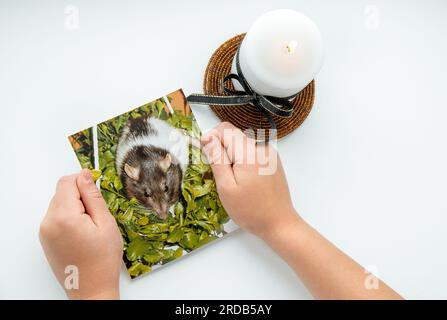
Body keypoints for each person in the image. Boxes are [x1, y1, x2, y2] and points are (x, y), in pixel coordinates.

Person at [39, 122, 402, 300]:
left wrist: (94, 292)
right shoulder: (135, 172)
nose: (162, 210)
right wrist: (280, 223)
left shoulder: (169, 168)